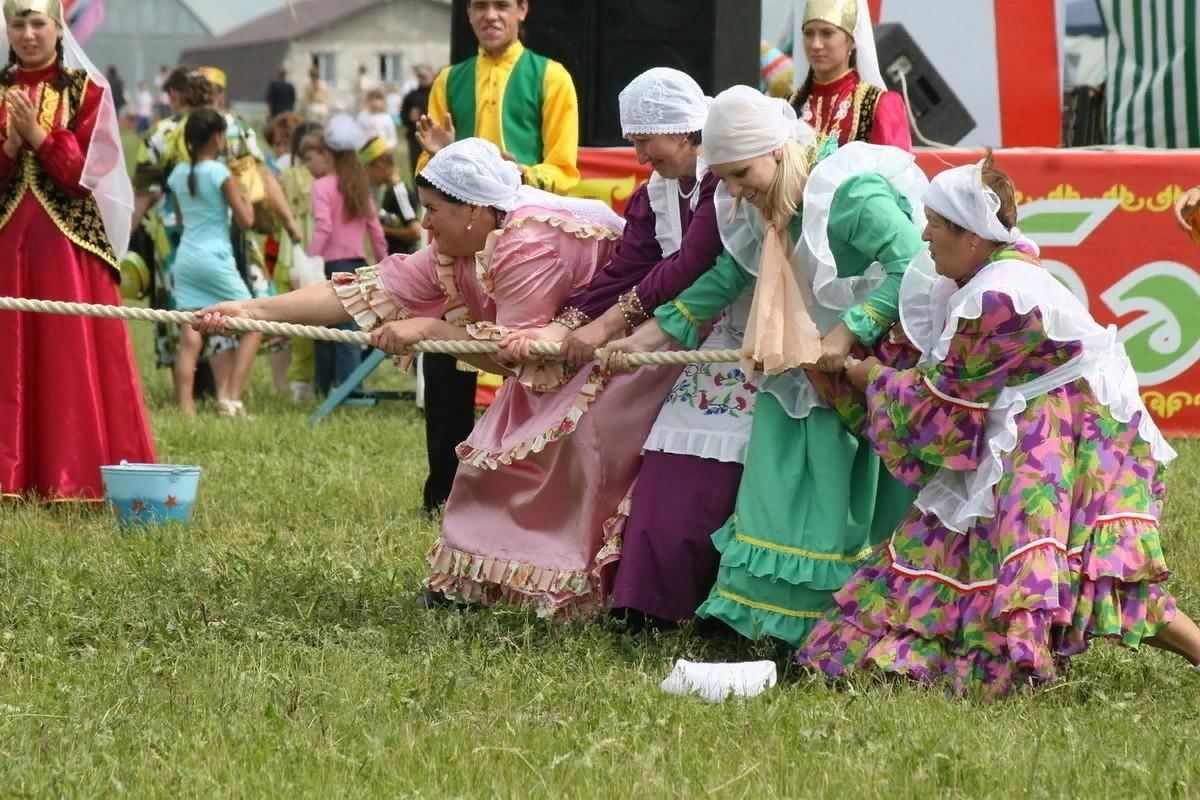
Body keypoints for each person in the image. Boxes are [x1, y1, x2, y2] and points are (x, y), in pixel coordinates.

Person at [196, 137, 680, 617]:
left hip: (619, 359)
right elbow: (353, 293)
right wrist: (246, 308)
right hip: (552, 364)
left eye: (432, 209)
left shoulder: (529, 243)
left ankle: (579, 591)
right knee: (483, 467)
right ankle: (471, 585)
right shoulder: (458, 246)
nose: (423, 222)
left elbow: (530, 362)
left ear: (472, 209)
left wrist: (430, 328)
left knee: (576, 451)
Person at [796, 154, 1200, 697]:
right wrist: (851, 361)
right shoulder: (991, 271)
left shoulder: (1000, 295)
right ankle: (911, 650)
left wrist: (864, 374)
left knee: (1093, 566)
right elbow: (935, 367)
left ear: (971, 236)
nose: (924, 235)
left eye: (934, 225)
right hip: (1037, 424)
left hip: (1071, 431)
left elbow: (942, 403)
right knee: (958, 539)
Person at [604, 86, 928, 645]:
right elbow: (729, 276)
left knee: (839, 505)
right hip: (795, 367)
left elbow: (914, 264)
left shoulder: (849, 195)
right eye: (724, 177)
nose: (731, 190)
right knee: (771, 494)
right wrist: (650, 336)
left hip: (865, 373)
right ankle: (755, 622)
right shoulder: (751, 204)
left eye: (740, 174)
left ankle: (835, 630)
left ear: (776, 152)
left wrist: (850, 331)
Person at [499, 68, 731, 626]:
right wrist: (565, 324)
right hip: (685, 345)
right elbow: (632, 264)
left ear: (679, 130)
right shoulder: (656, 193)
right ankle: (642, 600)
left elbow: (691, 262)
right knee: (656, 461)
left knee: (703, 472)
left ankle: (701, 607)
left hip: (744, 351)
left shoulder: (724, 180)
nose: (638, 155)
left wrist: (603, 330)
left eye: (642, 139)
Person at [0, 0, 155, 501]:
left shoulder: (88, 90)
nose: (27, 34)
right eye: (17, 23)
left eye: (37, 22)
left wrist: (39, 137)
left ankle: (72, 474)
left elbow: (84, 175)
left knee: (68, 354)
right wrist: (8, 147)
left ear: (57, 26)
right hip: (7, 242)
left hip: (66, 248)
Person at [415, 0, 580, 194]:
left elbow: (562, 171)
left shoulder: (552, 77)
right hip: (464, 217)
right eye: (480, 6)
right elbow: (424, 173)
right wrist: (442, 156)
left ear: (522, 9)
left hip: (525, 216)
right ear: (469, 13)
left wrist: (520, 175)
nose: (491, 15)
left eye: (501, 6)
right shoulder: (447, 80)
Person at [167, 109, 260, 418]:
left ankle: (186, 409)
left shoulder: (178, 173)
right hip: (215, 257)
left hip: (186, 258)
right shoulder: (221, 173)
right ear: (218, 137)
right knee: (255, 323)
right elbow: (247, 221)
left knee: (190, 338)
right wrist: (245, 194)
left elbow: (180, 220)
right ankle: (232, 396)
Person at [307, 115, 387, 395]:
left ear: (328, 154)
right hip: (359, 265)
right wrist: (384, 263)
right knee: (349, 332)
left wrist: (309, 258)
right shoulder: (360, 186)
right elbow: (375, 231)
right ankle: (351, 386)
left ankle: (331, 388)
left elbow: (323, 227)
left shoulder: (322, 186)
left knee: (325, 330)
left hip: (332, 264)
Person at [789, 0, 911, 149]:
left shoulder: (878, 104)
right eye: (808, 34)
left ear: (852, 40)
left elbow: (894, 168)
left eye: (827, 33)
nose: (815, 44)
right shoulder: (788, 106)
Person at [360, 136, 421, 255]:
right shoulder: (389, 191)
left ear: (379, 166)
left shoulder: (399, 192)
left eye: (366, 171)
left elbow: (415, 231)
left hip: (405, 263)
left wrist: (382, 229)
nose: (367, 177)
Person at [400, 64, 434, 175]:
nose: (422, 80)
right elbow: (403, 116)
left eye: (424, 76)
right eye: (420, 77)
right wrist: (409, 117)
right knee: (416, 168)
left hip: (434, 137)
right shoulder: (411, 96)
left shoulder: (437, 93)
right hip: (415, 137)